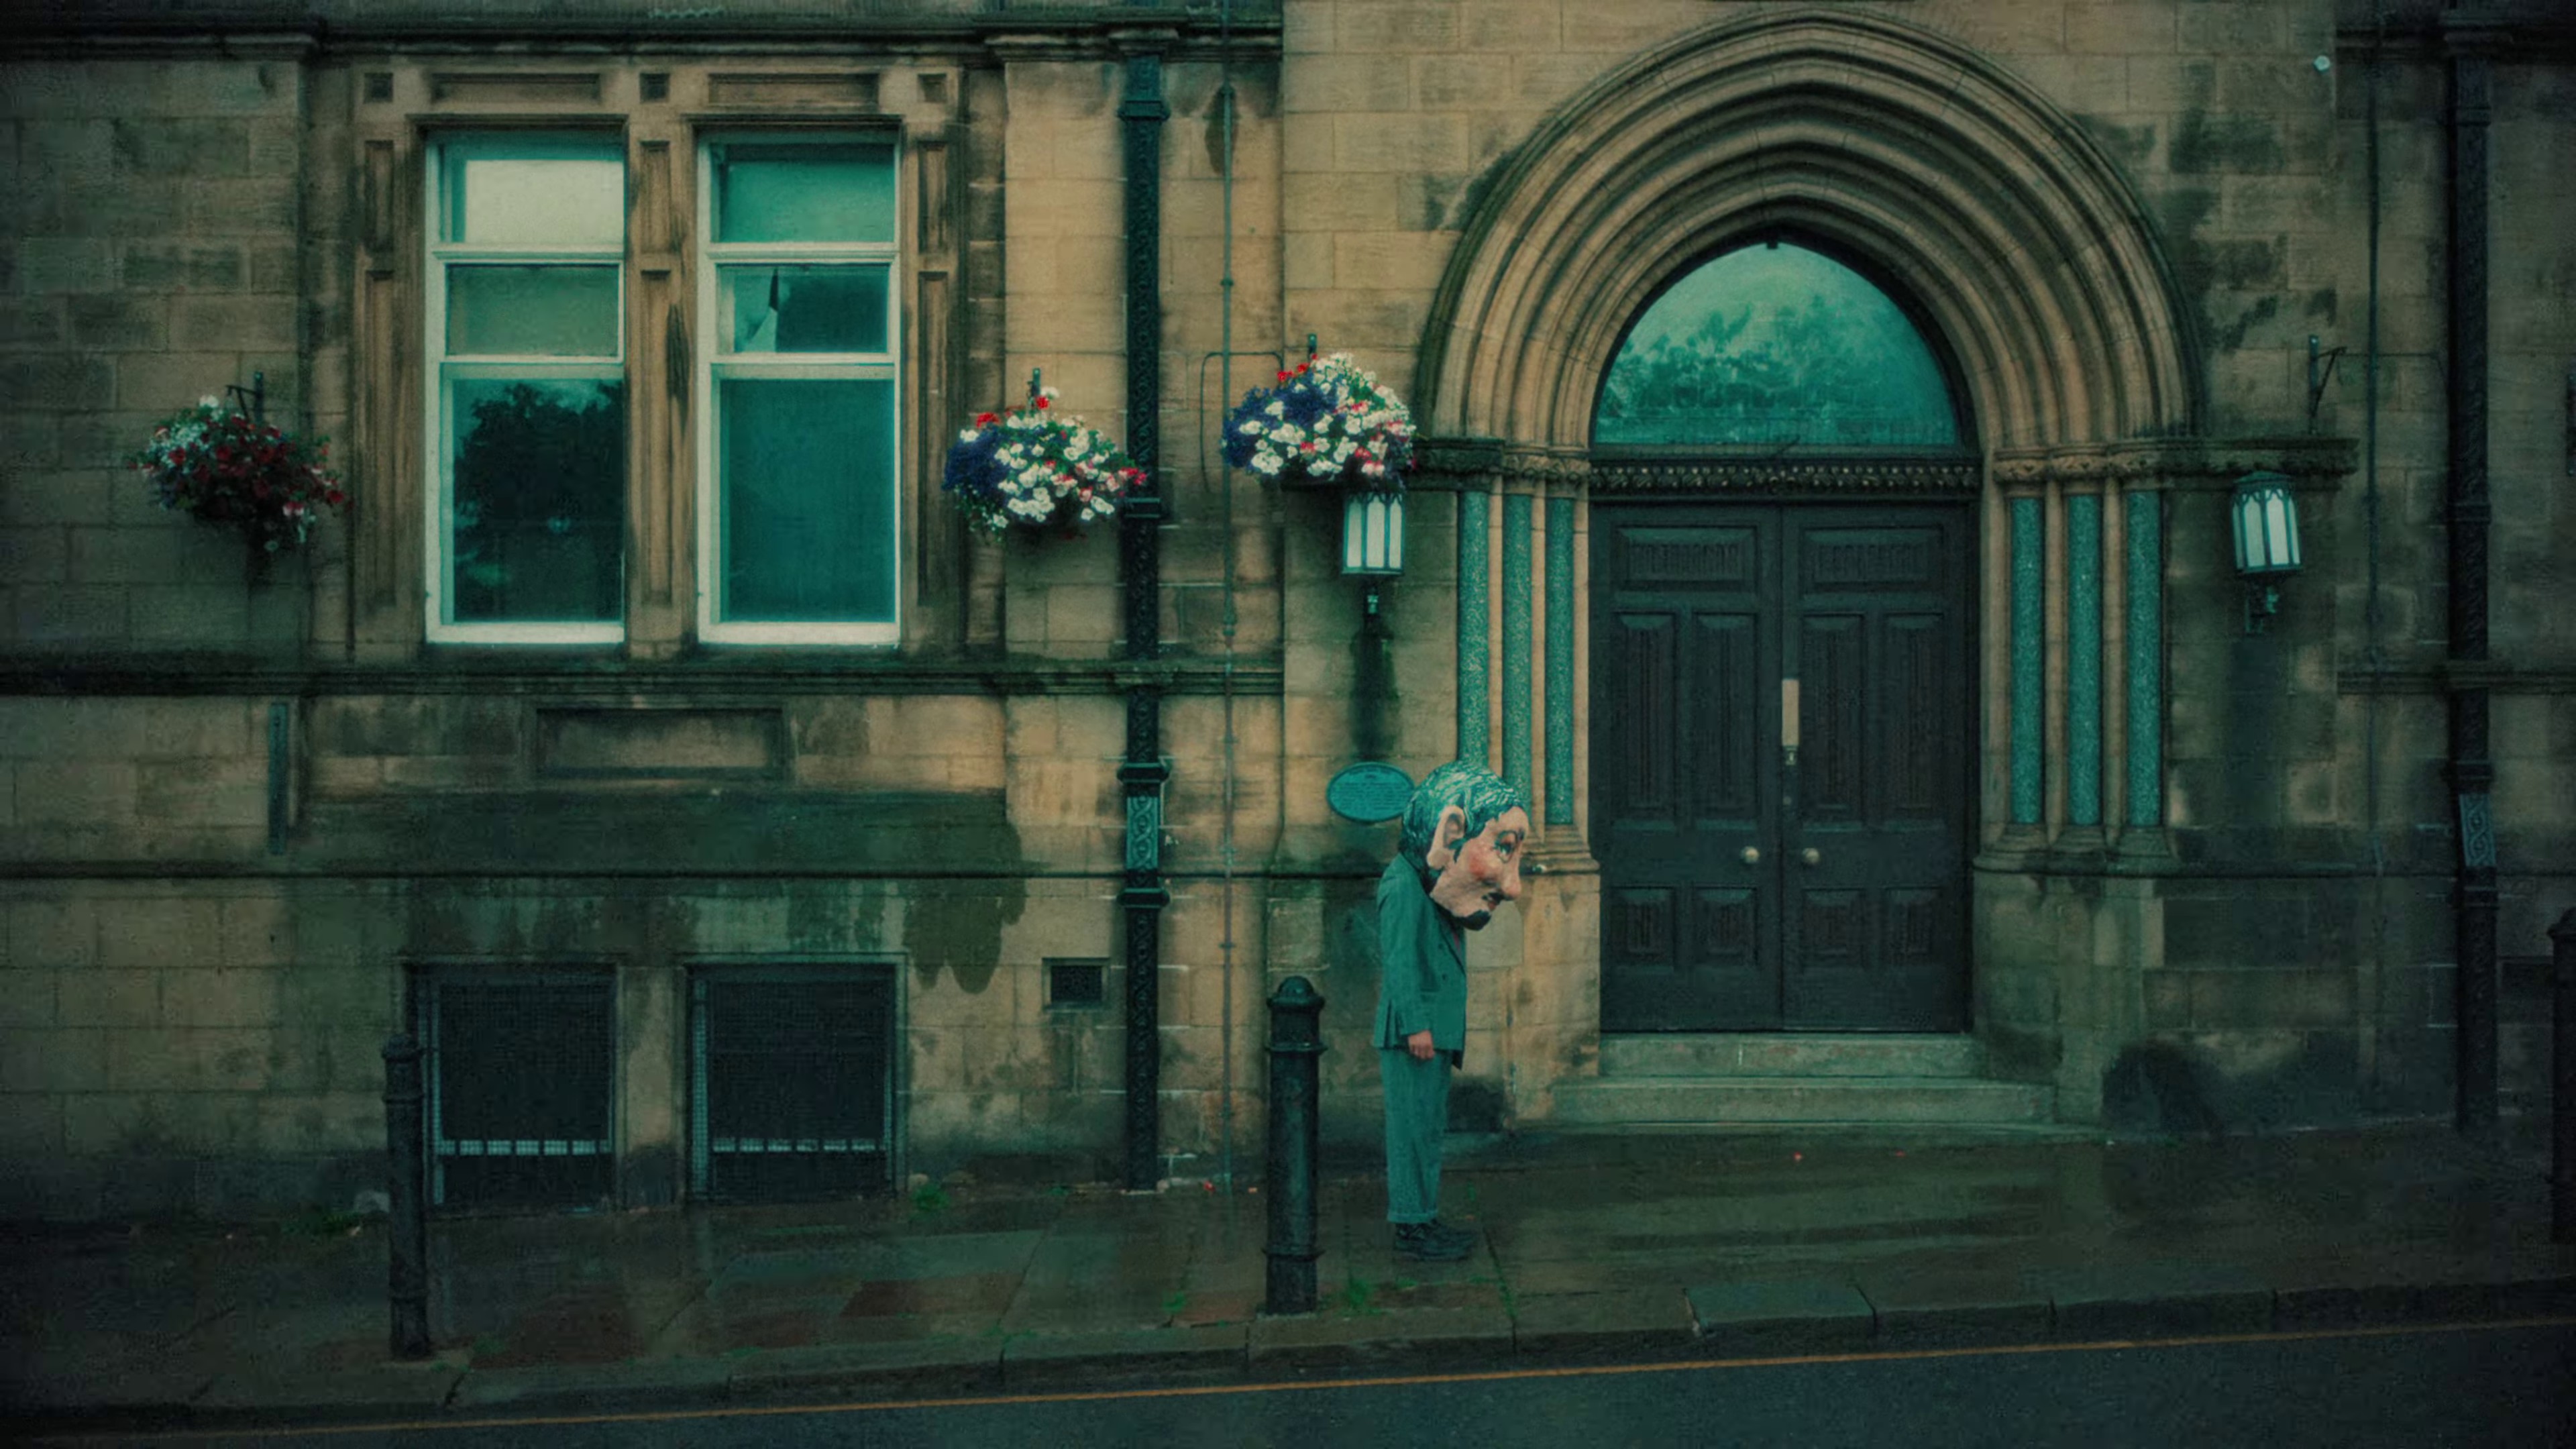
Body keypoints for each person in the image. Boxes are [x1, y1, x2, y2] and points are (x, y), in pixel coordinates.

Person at [1373, 761, 1529, 1261]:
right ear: (1451, 831)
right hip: (1414, 1033)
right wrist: (1417, 1025)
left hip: (1433, 1031)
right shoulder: (1402, 885)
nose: (1512, 883)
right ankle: (1412, 1227)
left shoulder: (1428, 887)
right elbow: (1398, 962)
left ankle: (1423, 1216)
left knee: (1426, 1130)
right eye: (1502, 848)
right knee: (1412, 1131)